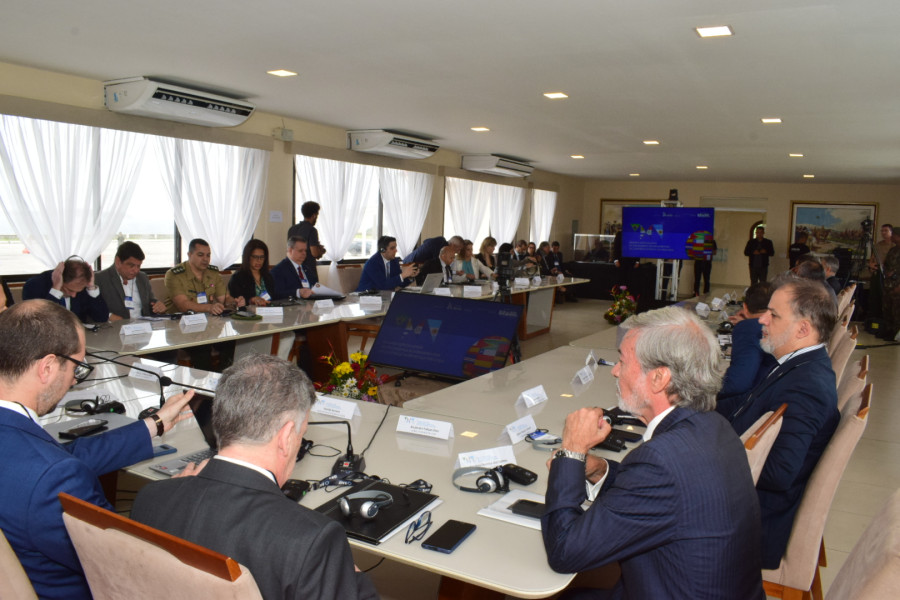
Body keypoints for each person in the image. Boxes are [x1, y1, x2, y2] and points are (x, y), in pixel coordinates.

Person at [541, 306, 764, 599]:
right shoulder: (715, 426)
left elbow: (564, 551)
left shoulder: (660, 461)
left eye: (623, 361)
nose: (615, 371)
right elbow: (664, 493)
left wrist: (572, 450)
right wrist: (601, 470)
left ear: (659, 378)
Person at [131, 354, 378, 600]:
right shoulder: (312, 539)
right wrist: (346, 573)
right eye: (301, 434)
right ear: (286, 437)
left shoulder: (150, 498)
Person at [0, 300, 195, 600]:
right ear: (47, 367)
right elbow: (128, 563)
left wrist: (154, 424)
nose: (73, 380)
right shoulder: (52, 477)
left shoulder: (31, 457)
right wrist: (171, 501)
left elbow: (59, 460)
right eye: (76, 368)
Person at [716, 275, 839, 569]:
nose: (762, 320)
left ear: (803, 329)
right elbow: (747, 404)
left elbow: (779, 472)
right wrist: (693, 410)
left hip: (746, 524)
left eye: (773, 314)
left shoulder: (806, 387)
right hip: (743, 502)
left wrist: (711, 455)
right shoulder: (798, 364)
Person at [164, 238, 242, 371]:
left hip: (208, 326)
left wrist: (235, 301)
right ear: (189, 255)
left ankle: (223, 377)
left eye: (208, 255)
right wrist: (209, 307)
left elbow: (224, 298)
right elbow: (183, 305)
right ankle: (204, 381)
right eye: (200, 255)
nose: (205, 259)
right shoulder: (174, 275)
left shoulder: (213, 273)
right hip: (182, 327)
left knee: (231, 342)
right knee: (202, 348)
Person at [718, 281, 777, 401]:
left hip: (751, 402)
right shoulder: (779, 325)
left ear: (745, 307)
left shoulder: (748, 328)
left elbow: (737, 383)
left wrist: (705, 393)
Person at [23, 258, 109, 323]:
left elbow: (102, 318)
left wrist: (91, 287)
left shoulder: (81, 285)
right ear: (60, 279)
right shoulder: (34, 286)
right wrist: (55, 289)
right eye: (70, 290)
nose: (74, 295)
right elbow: (38, 322)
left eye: (78, 291)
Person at [95, 241, 166, 320]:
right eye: (131, 266)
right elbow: (92, 307)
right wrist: (109, 316)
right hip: (116, 326)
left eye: (138, 266)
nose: (136, 270)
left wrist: (158, 305)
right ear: (118, 262)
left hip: (143, 324)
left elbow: (151, 301)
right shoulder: (100, 278)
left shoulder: (142, 277)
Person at [286, 201, 325, 286]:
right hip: (308, 270)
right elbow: (314, 253)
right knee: (311, 292)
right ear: (314, 215)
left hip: (293, 269)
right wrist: (321, 250)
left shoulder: (292, 229)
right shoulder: (312, 230)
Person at [228, 239, 276, 306]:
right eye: (255, 257)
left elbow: (274, 297)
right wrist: (251, 300)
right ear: (247, 257)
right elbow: (236, 301)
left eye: (262, 257)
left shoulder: (268, 276)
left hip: (269, 310)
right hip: (249, 311)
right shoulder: (238, 277)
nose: (259, 260)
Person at [881, 228, 900, 340]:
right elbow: (886, 264)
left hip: (897, 285)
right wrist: (886, 271)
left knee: (897, 310)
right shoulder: (893, 250)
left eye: (894, 235)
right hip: (888, 284)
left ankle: (896, 333)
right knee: (887, 308)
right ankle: (889, 330)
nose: (892, 237)